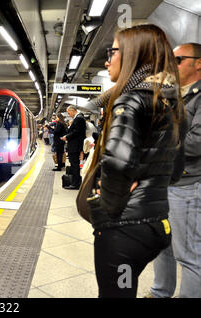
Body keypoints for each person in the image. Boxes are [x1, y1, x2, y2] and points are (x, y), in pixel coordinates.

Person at [82, 24, 186, 298]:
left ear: (133, 55)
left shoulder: (129, 100)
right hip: (156, 226)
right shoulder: (170, 102)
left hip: (124, 234)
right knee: (124, 290)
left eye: (112, 51)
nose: (107, 60)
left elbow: (118, 163)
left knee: (115, 295)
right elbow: (175, 170)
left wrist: (108, 211)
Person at [148, 42, 201, 298]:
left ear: (198, 63)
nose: (172, 66)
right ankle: (160, 293)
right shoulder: (177, 94)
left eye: (178, 60)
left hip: (188, 185)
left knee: (189, 254)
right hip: (165, 182)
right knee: (162, 244)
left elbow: (196, 142)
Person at [61, 105, 86, 189]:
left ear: (72, 110)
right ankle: (75, 182)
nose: (69, 115)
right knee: (74, 164)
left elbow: (77, 132)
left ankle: (75, 184)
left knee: (75, 165)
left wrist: (67, 137)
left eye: (69, 113)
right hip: (74, 145)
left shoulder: (79, 118)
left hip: (75, 146)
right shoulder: (79, 118)